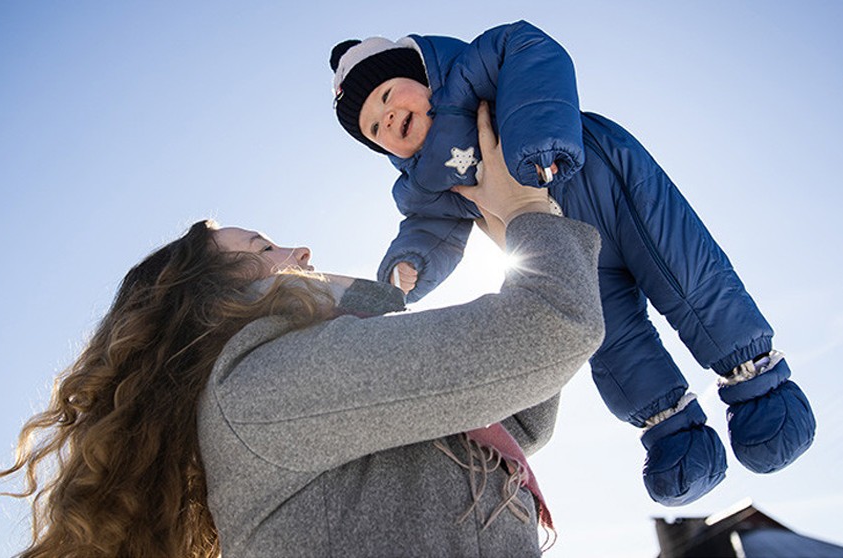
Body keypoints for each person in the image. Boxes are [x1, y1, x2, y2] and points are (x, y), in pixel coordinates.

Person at [0, 102, 605, 558]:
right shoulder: (261, 387)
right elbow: (552, 329)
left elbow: (520, 413)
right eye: (264, 246)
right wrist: (529, 215)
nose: (302, 249)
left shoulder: (297, 370)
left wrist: (518, 239)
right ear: (214, 296)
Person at [329, 19, 816, 506]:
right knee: (606, 333)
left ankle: (760, 385)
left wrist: (536, 135)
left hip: (612, 185)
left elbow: (530, 47)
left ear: (423, 72)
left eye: (389, 94)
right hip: (560, 244)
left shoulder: (471, 75)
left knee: (686, 276)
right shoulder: (424, 186)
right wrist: (407, 267)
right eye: (374, 127)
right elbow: (427, 230)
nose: (388, 118)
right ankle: (672, 430)